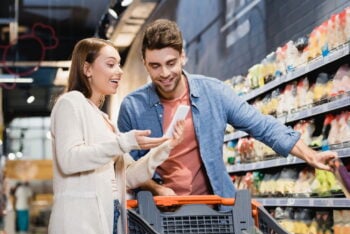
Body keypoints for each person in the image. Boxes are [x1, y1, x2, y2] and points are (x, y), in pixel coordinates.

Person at [117, 19, 338, 204]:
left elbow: (262, 125)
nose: (165, 73)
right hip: (159, 214)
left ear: (183, 56)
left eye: (171, 63)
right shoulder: (133, 107)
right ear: (144, 63)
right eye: (155, 66)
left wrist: (312, 155)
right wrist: (157, 189)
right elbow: (126, 166)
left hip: (215, 208)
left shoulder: (214, 93)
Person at [48, 37, 184, 234]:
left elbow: (128, 176)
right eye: (110, 64)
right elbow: (69, 160)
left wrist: (165, 147)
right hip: (79, 225)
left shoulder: (103, 119)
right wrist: (125, 142)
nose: (119, 71)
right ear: (87, 68)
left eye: (119, 64)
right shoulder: (70, 103)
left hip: (109, 216)